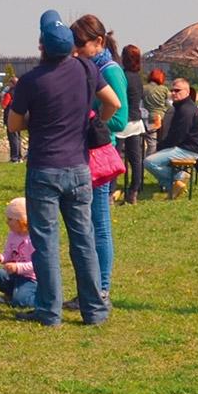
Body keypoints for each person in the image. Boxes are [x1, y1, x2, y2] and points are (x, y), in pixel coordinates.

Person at [5, 10, 118, 326]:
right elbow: (113, 103)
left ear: (41, 45)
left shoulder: (30, 81)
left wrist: (37, 119)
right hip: (79, 168)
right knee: (83, 239)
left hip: (44, 168)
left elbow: (14, 124)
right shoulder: (86, 69)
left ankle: (49, 311)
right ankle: (94, 310)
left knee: (45, 243)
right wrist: (91, 122)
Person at [72, 16, 128, 302]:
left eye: (80, 44)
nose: (76, 49)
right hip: (84, 153)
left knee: (99, 224)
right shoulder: (88, 67)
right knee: (87, 226)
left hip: (100, 155)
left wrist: (93, 122)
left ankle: (102, 288)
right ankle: (91, 287)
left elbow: (120, 118)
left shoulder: (110, 71)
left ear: (98, 42)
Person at [145, 77, 198, 194]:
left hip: (187, 150)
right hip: (186, 148)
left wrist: (162, 146)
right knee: (153, 159)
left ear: (187, 92)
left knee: (149, 162)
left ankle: (177, 178)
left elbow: (179, 136)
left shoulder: (186, 110)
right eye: (172, 90)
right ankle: (174, 185)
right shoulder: (182, 106)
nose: (173, 93)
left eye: (177, 90)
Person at [0, 197, 37, 310]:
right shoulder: (12, 235)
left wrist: (17, 267)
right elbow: (9, 254)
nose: (7, 222)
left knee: (20, 301)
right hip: (15, 274)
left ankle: (40, 299)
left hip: (31, 278)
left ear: (22, 221)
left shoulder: (33, 239)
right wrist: (1, 258)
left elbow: (37, 264)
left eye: (10, 219)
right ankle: (11, 294)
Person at [117, 46, 149, 203]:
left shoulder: (122, 76)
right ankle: (133, 191)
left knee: (114, 157)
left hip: (122, 121)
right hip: (136, 121)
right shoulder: (138, 78)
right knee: (136, 159)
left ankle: (110, 190)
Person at [142, 67, 171, 151]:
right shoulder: (164, 89)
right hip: (162, 118)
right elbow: (168, 104)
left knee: (152, 143)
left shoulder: (144, 88)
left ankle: (150, 158)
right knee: (162, 142)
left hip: (150, 119)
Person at [2, 83, 24, 163]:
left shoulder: (9, 93)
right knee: (18, 137)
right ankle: (19, 156)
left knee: (13, 138)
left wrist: (2, 97)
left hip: (10, 117)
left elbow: (4, 105)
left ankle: (14, 157)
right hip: (19, 116)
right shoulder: (20, 93)